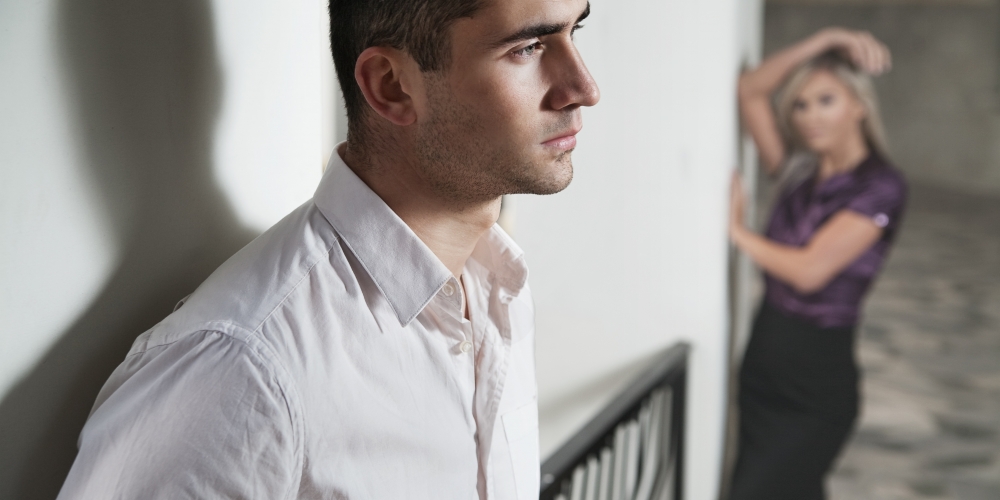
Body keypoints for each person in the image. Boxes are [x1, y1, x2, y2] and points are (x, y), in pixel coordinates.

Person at [57, 0, 599, 498]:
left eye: (574, 32)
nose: (584, 87)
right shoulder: (241, 370)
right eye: (527, 48)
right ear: (391, 86)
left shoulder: (499, 285)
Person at [728, 28, 907, 500]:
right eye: (800, 105)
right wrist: (827, 39)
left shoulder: (882, 186)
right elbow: (751, 91)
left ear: (859, 105)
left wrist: (737, 233)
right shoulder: (798, 170)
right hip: (764, 366)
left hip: (816, 383)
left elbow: (809, 272)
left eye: (826, 100)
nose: (810, 116)